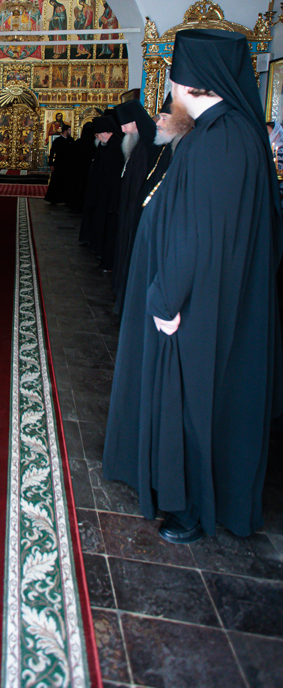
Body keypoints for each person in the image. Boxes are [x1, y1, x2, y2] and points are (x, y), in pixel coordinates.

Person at [104, 29, 283, 542]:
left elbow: (196, 232)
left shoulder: (218, 139)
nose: (172, 92)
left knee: (194, 402)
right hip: (210, 298)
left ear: (192, 84)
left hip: (196, 307)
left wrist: (165, 298)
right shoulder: (228, 133)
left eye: (175, 82)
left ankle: (192, 509)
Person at [111, 98, 157, 307]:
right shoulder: (135, 145)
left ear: (137, 123)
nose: (122, 129)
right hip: (127, 208)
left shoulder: (146, 148)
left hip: (136, 210)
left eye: (125, 124)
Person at [79, 113, 124, 271]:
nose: (97, 138)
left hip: (108, 197)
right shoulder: (107, 146)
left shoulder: (116, 147)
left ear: (107, 132)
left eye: (98, 135)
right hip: (101, 194)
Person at [44, 122, 75, 204]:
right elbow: (52, 152)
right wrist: (51, 164)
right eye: (69, 130)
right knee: (56, 183)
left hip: (69, 165)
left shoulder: (71, 140)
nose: (70, 132)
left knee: (67, 183)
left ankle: (66, 200)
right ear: (65, 131)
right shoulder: (58, 141)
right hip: (59, 164)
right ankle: (53, 199)